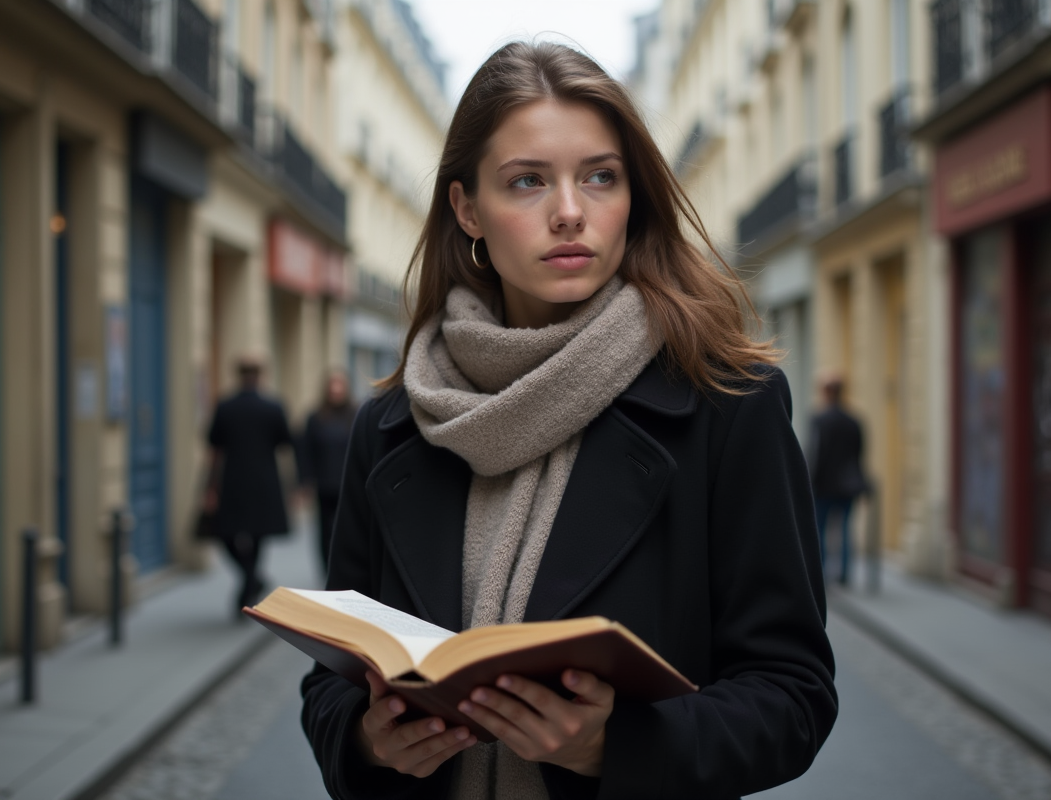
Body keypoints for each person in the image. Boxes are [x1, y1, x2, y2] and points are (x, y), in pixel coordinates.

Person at [300, 42, 836, 800]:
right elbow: (329, 685)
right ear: (467, 209)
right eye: (527, 181)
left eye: (600, 176)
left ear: (632, 196)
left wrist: (614, 746)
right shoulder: (392, 423)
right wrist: (366, 742)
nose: (570, 211)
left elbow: (794, 695)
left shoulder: (727, 404)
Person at [205, 355, 296, 615]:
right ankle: (252, 578)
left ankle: (248, 583)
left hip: (232, 480)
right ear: (260, 376)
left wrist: (210, 487)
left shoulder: (225, 406)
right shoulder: (273, 406)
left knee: (225, 534)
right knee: (257, 536)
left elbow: (214, 447)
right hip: (264, 480)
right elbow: (285, 442)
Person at [808, 373, 868, 586]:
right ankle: (844, 574)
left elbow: (816, 454)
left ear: (825, 392)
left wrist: (810, 482)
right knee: (844, 529)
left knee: (820, 529)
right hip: (847, 485)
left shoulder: (819, 420)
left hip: (823, 485)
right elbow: (860, 453)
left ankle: (821, 572)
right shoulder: (854, 421)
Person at [299, 369, 357, 572]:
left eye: (340, 385)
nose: (336, 390)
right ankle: (327, 569)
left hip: (349, 484)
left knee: (349, 528)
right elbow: (305, 451)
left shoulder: (356, 415)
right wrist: (305, 481)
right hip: (324, 484)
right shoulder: (315, 418)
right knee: (324, 531)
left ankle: (347, 568)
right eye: (332, 385)